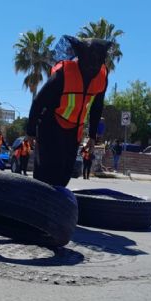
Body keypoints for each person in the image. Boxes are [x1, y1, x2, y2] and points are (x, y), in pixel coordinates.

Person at [26, 35, 112, 187]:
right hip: (51, 124)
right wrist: (31, 131)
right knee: (47, 171)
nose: (92, 68)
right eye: (89, 62)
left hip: (74, 130)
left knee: (65, 172)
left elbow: (97, 107)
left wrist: (92, 136)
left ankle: (56, 206)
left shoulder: (102, 77)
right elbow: (39, 101)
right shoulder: (63, 74)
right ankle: (38, 202)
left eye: (97, 62)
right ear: (81, 58)